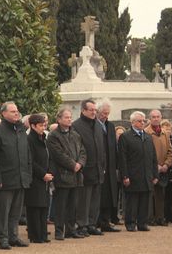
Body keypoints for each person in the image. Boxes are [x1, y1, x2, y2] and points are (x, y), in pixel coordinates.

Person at [0, 101, 32, 250]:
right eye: (12, 111)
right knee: (3, 212)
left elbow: (27, 154)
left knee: (16, 212)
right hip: (5, 179)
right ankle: (2, 237)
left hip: (21, 178)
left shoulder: (21, 131)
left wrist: (28, 174)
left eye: (17, 111)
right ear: (3, 113)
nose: (16, 113)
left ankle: (13, 236)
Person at [47, 107, 86, 240]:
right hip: (62, 175)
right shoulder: (53, 136)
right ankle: (59, 231)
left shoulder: (75, 134)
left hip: (76, 175)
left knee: (73, 205)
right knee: (61, 205)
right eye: (66, 117)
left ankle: (71, 230)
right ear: (59, 119)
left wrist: (80, 164)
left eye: (70, 117)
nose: (69, 120)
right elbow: (58, 154)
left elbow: (82, 151)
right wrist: (72, 165)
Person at [118, 111, 159, 231]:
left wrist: (155, 174)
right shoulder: (125, 137)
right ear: (133, 122)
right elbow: (122, 158)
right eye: (139, 121)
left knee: (145, 201)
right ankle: (130, 223)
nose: (142, 123)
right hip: (132, 175)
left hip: (147, 175)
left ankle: (142, 223)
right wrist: (125, 176)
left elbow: (153, 157)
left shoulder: (147, 137)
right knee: (132, 202)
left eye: (143, 121)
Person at [72, 99, 106, 237]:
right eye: (91, 110)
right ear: (83, 110)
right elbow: (77, 148)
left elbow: (101, 147)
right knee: (83, 200)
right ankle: (82, 224)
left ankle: (92, 223)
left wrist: (103, 165)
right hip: (85, 169)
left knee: (95, 200)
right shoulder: (76, 126)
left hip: (98, 169)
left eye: (95, 110)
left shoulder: (98, 125)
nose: (94, 112)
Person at [25, 114, 53, 243]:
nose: (43, 128)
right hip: (35, 178)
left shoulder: (43, 139)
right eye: (41, 126)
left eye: (44, 125)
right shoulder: (29, 140)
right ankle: (35, 235)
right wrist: (43, 174)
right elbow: (31, 160)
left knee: (43, 206)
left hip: (45, 178)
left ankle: (43, 234)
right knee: (35, 207)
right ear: (33, 126)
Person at [144, 110, 172, 226]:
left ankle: (160, 218)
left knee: (160, 194)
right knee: (150, 194)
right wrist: (154, 166)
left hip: (163, 169)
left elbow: (170, 152)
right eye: (153, 117)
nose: (156, 119)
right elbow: (145, 152)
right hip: (150, 168)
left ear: (161, 118)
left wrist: (166, 164)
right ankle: (149, 218)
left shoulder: (165, 133)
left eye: (158, 117)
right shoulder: (145, 133)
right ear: (149, 119)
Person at [96, 99, 120, 232]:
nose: (105, 116)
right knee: (99, 195)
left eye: (107, 113)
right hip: (99, 166)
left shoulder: (110, 126)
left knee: (109, 195)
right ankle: (96, 222)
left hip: (110, 166)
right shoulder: (94, 125)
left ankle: (106, 221)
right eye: (103, 113)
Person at [161, 119, 172, 223]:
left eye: (169, 129)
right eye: (165, 129)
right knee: (161, 195)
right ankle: (161, 215)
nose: (167, 131)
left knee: (170, 196)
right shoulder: (160, 139)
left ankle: (169, 215)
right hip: (161, 170)